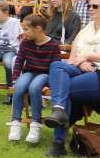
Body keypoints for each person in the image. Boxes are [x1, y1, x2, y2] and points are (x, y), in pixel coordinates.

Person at [45, 0, 100, 157]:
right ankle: (59, 111)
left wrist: (90, 56)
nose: (90, 9)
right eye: (89, 6)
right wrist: (82, 61)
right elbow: (72, 59)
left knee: (65, 89)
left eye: (95, 6)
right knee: (57, 65)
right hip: (82, 69)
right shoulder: (85, 30)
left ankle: (58, 143)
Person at [7, 14, 61, 144]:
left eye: (26, 29)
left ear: (38, 28)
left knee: (34, 87)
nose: (23, 32)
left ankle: (36, 124)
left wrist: (50, 84)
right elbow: (19, 61)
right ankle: (15, 123)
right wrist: (15, 80)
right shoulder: (26, 43)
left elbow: (56, 66)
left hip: (45, 74)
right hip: (30, 72)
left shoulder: (53, 45)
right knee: (19, 87)